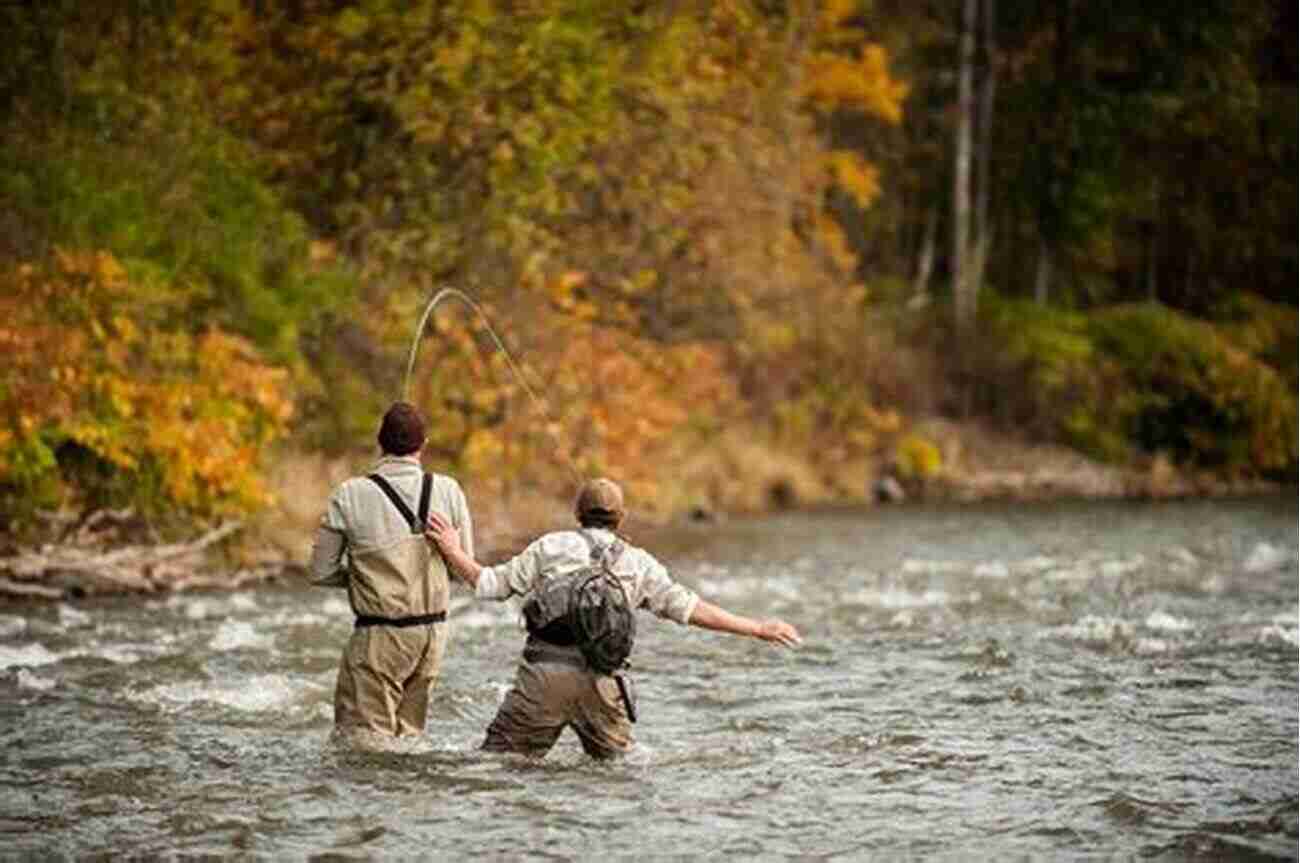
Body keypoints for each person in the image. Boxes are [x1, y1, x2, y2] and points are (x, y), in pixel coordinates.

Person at [424, 477, 801, 760]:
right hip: (603, 687)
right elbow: (691, 610)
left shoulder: (551, 546)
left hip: (542, 679)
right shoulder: (639, 563)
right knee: (623, 770)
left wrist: (453, 549)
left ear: (577, 514)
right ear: (621, 518)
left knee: (494, 765)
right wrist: (757, 628)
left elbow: (488, 584)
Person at [308, 401, 474, 739]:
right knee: (409, 743)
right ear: (423, 445)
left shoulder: (350, 494)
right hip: (432, 638)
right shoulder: (449, 490)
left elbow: (320, 571)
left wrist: (364, 579)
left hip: (379, 637)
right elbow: (462, 570)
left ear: (380, 443)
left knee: (363, 747)